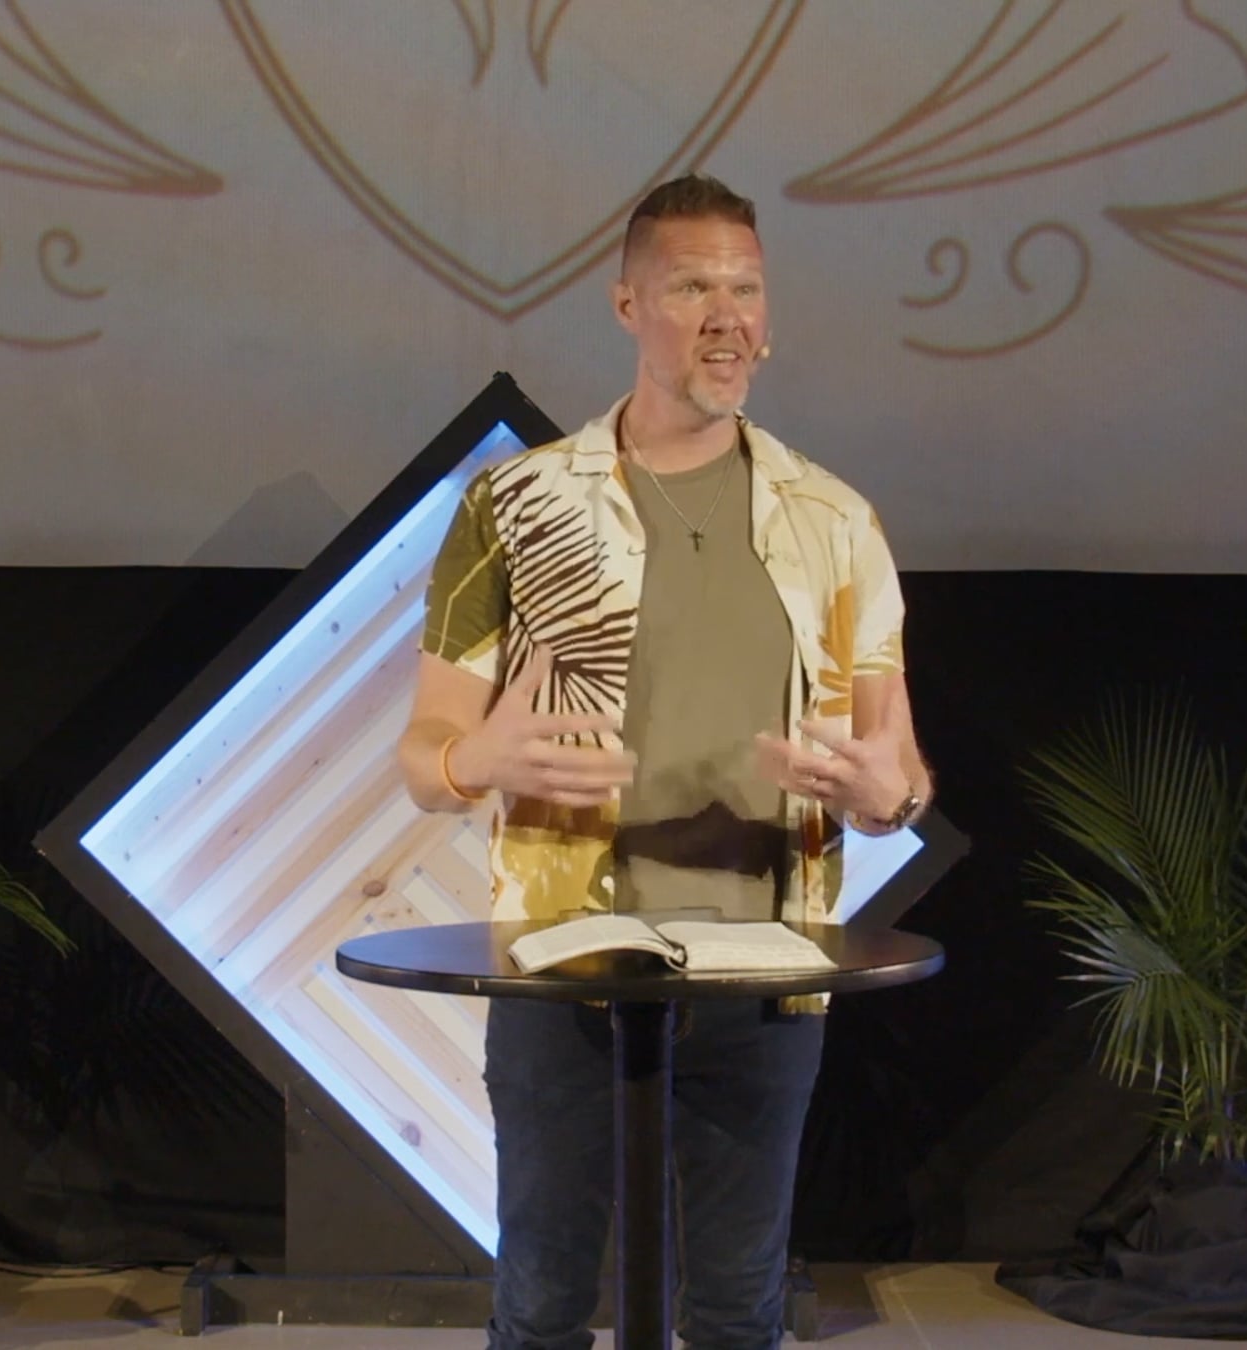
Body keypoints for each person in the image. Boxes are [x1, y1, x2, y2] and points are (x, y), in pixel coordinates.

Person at [396, 173, 933, 1350]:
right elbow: (426, 757)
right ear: (628, 304)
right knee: (542, 1307)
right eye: (692, 288)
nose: (726, 317)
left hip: (767, 975)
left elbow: (899, 773)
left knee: (738, 1313)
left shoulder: (835, 521)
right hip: (562, 968)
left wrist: (885, 797)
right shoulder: (517, 504)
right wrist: (479, 757)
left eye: (746, 289)